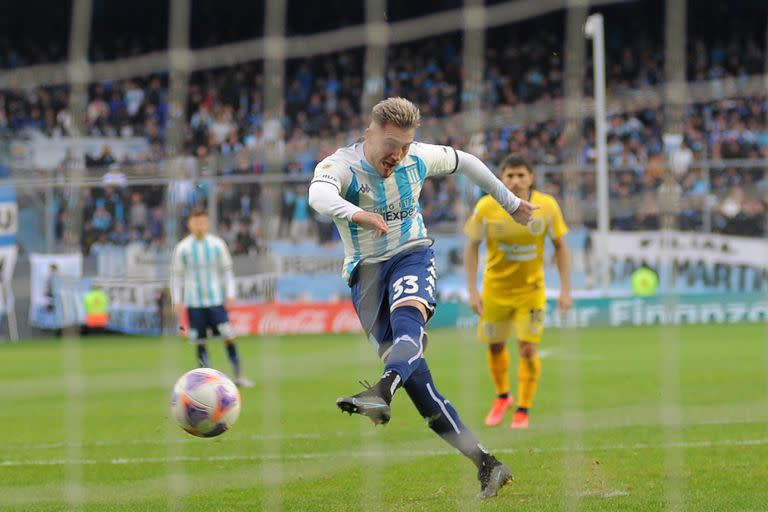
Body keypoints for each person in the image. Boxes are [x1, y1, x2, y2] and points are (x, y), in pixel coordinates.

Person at [308, 97, 538, 499]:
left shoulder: (418, 158)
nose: (397, 155)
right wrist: (355, 212)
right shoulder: (342, 165)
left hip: (411, 254)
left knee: (408, 326)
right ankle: (488, 464)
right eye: (391, 144)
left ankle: (381, 391)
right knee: (420, 386)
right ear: (370, 133)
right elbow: (318, 196)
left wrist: (512, 202)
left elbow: (466, 161)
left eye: (406, 145)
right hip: (365, 279)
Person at [464, 154, 571, 430]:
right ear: (501, 178)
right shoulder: (486, 206)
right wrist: (473, 291)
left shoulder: (547, 206)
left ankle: (523, 409)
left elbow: (561, 246)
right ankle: (503, 397)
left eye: (521, 174)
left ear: (531, 177)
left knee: (527, 348)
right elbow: (472, 245)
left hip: (531, 291)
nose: (515, 180)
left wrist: (566, 290)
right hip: (495, 290)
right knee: (496, 345)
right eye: (509, 175)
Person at [170, 210, 252, 387]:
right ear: (189, 224)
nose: (199, 226)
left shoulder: (217, 245)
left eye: (202, 222)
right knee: (200, 343)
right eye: (196, 222)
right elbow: (176, 276)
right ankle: (206, 381)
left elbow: (227, 272)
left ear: (207, 224)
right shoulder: (182, 248)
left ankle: (238, 376)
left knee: (229, 336)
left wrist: (230, 295)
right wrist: (176, 299)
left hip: (216, 302)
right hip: (194, 304)